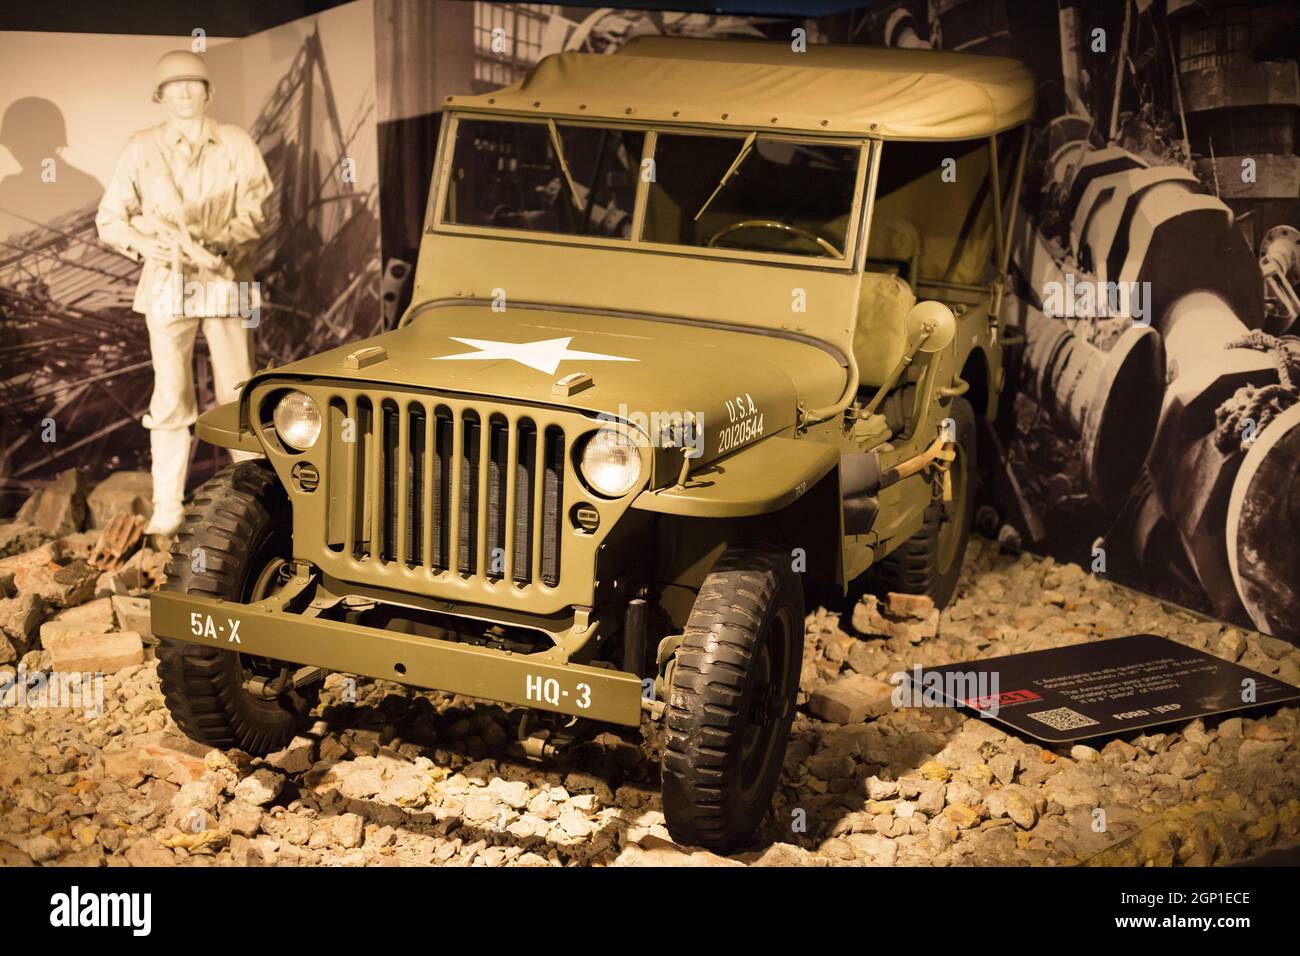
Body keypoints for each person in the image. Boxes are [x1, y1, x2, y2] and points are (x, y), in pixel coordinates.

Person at [96, 50, 273, 536]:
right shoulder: (141, 148)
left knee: (238, 389)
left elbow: (257, 210)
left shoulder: (236, 144)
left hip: (224, 281)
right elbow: (110, 219)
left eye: (193, 85)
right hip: (166, 285)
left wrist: (222, 243)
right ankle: (168, 505)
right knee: (171, 395)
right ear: (160, 96)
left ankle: (259, 496)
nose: (184, 94)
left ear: (208, 92)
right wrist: (145, 243)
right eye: (174, 87)